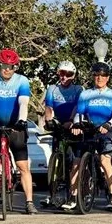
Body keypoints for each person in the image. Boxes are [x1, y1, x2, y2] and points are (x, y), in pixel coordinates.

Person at [0, 48, 36, 215]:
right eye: (4, 65)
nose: (7, 70)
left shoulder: (22, 81)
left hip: (15, 125)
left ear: (15, 67)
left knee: (23, 166)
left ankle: (29, 202)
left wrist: (22, 120)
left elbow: (23, 103)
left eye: (11, 67)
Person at [61, 62, 112, 211]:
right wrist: (76, 125)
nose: (99, 78)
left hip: (107, 129)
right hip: (89, 128)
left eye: (102, 75)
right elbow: (79, 113)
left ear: (107, 78)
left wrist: (107, 125)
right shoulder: (86, 94)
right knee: (76, 163)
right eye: (96, 75)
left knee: (104, 160)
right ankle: (73, 197)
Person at [40, 60, 82, 208]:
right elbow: (49, 107)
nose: (64, 77)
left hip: (71, 124)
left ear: (73, 75)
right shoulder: (52, 88)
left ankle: (72, 193)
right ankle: (51, 194)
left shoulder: (78, 89)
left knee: (72, 161)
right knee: (55, 159)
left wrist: (71, 120)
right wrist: (49, 120)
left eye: (68, 74)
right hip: (58, 124)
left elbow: (77, 106)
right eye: (61, 73)